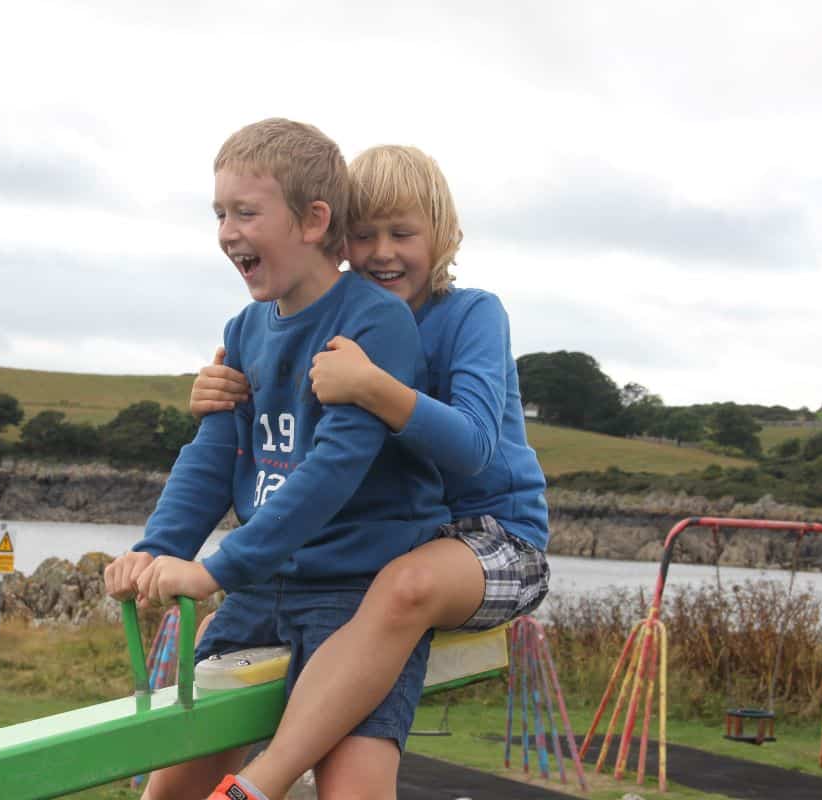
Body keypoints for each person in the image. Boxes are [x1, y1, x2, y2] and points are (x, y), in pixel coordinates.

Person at [189, 144, 551, 800]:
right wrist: (223, 396)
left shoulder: (472, 314)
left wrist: (372, 385)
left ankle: (259, 785)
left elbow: (474, 447)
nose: (383, 251)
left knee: (406, 587)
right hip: (396, 540)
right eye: (365, 233)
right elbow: (295, 449)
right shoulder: (340, 320)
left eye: (403, 233)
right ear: (336, 235)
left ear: (442, 236)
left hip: (495, 538)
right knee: (336, 600)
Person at [104, 122, 450, 800]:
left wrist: (214, 568)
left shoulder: (376, 323)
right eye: (219, 214)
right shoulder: (244, 328)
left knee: (350, 786)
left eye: (246, 213)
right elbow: (211, 455)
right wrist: (156, 550)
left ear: (314, 221)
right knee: (173, 785)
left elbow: (330, 473)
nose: (228, 232)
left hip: (353, 597)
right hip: (260, 592)